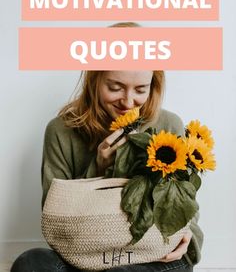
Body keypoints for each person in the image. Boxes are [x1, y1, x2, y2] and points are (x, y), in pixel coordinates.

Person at [11, 69, 203, 272]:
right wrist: (100, 168)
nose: (128, 102)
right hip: (86, 256)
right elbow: (55, 215)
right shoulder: (61, 130)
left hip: (151, 256)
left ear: (153, 87)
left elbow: (184, 202)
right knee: (30, 263)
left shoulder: (169, 125)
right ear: (94, 81)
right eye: (115, 88)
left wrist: (188, 235)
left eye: (140, 90)